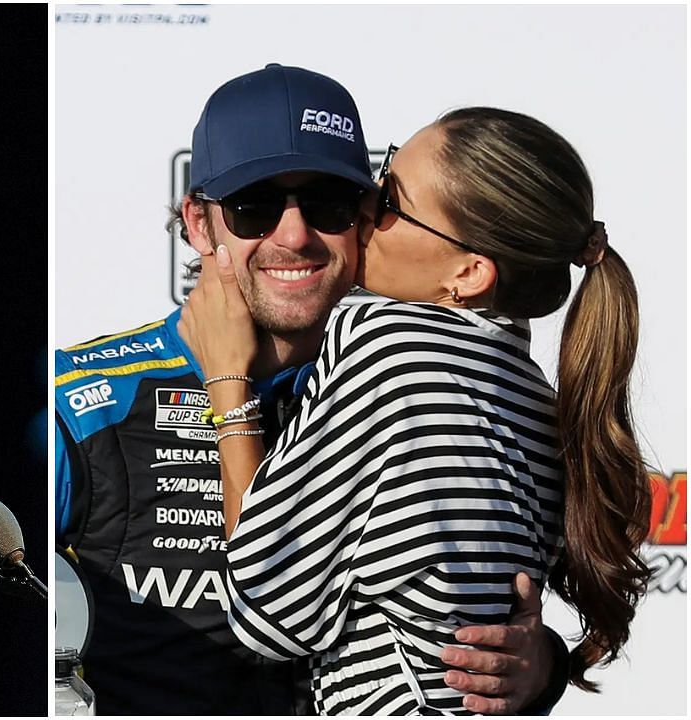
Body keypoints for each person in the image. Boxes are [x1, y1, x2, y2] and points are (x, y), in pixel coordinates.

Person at [54, 64, 569, 715]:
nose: (293, 235)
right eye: (253, 207)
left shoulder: (421, 378)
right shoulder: (83, 401)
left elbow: (483, 600)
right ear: (197, 223)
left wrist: (537, 664)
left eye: (327, 202)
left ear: (363, 216)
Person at [182, 105, 649, 713]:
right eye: (375, 184)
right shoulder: (532, 391)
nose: (366, 212)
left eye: (392, 204)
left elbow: (269, 609)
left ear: (468, 272)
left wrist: (227, 381)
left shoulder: (391, 348)